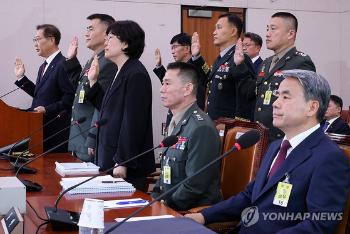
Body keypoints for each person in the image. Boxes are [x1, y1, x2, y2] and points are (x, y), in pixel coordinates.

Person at [186, 70, 350, 233]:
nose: (275, 103)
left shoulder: (329, 157)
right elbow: (249, 196)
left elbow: (319, 224)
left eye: (285, 97)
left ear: (312, 107)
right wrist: (204, 216)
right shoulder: (276, 147)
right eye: (277, 96)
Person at [87, 20, 155, 191]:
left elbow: (134, 122)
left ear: (125, 43)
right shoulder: (121, 70)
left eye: (110, 38)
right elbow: (108, 109)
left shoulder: (136, 74)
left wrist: (123, 161)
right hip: (111, 158)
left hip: (125, 167)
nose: (105, 43)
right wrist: (93, 81)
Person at [151, 62, 222, 211]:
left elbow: (195, 185)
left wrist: (163, 206)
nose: (161, 89)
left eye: (167, 84)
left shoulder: (200, 128)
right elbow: (166, 174)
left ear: (187, 89)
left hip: (190, 211)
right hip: (170, 206)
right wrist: (153, 200)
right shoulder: (176, 122)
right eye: (163, 83)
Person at [253, 12, 316, 142]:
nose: (267, 34)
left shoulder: (300, 62)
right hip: (261, 135)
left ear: (291, 34)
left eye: (273, 29)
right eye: (267, 29)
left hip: (282, 138)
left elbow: (304, 104)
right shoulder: (266, 62)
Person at [63, 14, 117, 162]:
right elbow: (81, 89)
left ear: (107, 33)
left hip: (90, 142)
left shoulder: (108, 63)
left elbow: (101, 104)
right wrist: (71, 60)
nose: (86, 33)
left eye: (91, 29)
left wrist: (92, 139)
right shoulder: (95, 60)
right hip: (79, 139)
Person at [14, 24, 74, 152]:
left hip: (53, 132)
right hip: (39, 129)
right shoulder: (44, 66)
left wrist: (46, 109)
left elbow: (70, 98)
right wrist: (21, 78)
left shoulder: (63, 64)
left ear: (52, 40)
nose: (35, 44)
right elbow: (42, 95)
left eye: (37, 39)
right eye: (34, 40)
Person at [192, 13, 256, 121]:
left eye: (219, 28)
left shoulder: (240, 58)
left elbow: (247, 93)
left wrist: (239, 126)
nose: (214, 32)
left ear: (233, 31)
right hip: (216, 123)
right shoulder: (222, 57)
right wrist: (197, 57)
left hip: (230, 126)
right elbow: (209, 78)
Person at [153, 33, 208, 127]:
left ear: (187, 49)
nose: (172, 51)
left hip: (190, 118)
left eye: (175, 47)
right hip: (175, 116)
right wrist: (159, 67)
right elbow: (171, 84)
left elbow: (207, 74)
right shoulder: (178, 68)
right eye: (171, 48)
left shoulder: (196, 67)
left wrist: (197, 56)